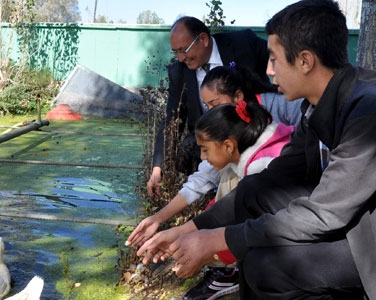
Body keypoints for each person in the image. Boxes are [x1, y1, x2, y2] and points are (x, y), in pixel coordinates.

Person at [137, 0, 376, 299]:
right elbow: (271, 180)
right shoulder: (314, 109)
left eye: (274, 59)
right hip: (349, 224)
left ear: (304, 61)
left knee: (265, 266)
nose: (268, 71)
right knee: (252, 192)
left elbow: (324, 213)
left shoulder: (366, 111)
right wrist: (188, 229)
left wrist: (217, 240)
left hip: (368, 244)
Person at [127, 64, 302, 248]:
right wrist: (159, 219)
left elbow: (242, 216)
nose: (211, 111)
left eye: (215, 104)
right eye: (207, 106)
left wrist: (205, 246)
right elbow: (203, 179)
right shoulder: (238, 134)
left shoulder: (259, 165)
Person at [147, 16, 271, 198]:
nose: (180, 58)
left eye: (183, 50)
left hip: (253, 127)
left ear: (203, 39)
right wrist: (158, 168)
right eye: (176, 52)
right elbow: (172, 118)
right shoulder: (178, 71)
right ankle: (206, 195)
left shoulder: (243, 43)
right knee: (187, 148)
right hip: (213, 138)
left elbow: (282, 58)